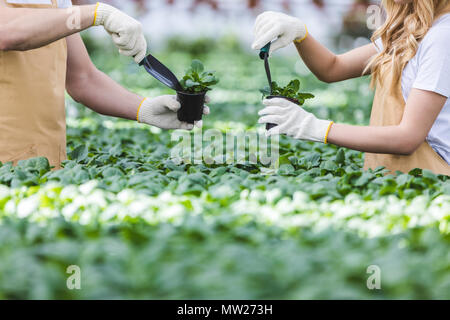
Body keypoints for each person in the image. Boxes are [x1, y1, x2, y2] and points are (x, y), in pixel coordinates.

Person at [0, 1, 208, 169]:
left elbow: (83, 79)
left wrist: (144, 108)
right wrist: (98, 14)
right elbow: (7, 32)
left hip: (45, 163)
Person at [253, 0, 450, 175]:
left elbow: (408, 137)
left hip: (432, 176)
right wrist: (300, 33)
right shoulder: (410, 31)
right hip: (401, 176)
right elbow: (332, 68)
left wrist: (315, 128)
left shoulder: (442, 37)